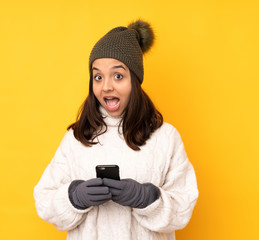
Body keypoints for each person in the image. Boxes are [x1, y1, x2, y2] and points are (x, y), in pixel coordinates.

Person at [33, 19, 199, 240]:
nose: (106, 86)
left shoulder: (165, 137)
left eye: (118, 76)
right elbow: (44, 202)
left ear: (135, 80)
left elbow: (184, 206)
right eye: (98, 76)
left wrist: (147, 198)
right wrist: (74, 197)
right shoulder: (76, 138)